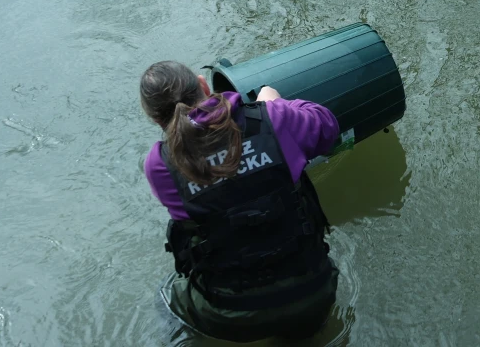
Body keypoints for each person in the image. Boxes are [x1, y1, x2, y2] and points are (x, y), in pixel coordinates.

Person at [140, 61, 341, 343]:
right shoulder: (274, 118)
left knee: (166, 295)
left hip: (228, 314)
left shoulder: (159, 165)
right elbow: (329, 128)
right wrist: (275, 105)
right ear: (203, 85)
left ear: (154, 119)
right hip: (311, 293)